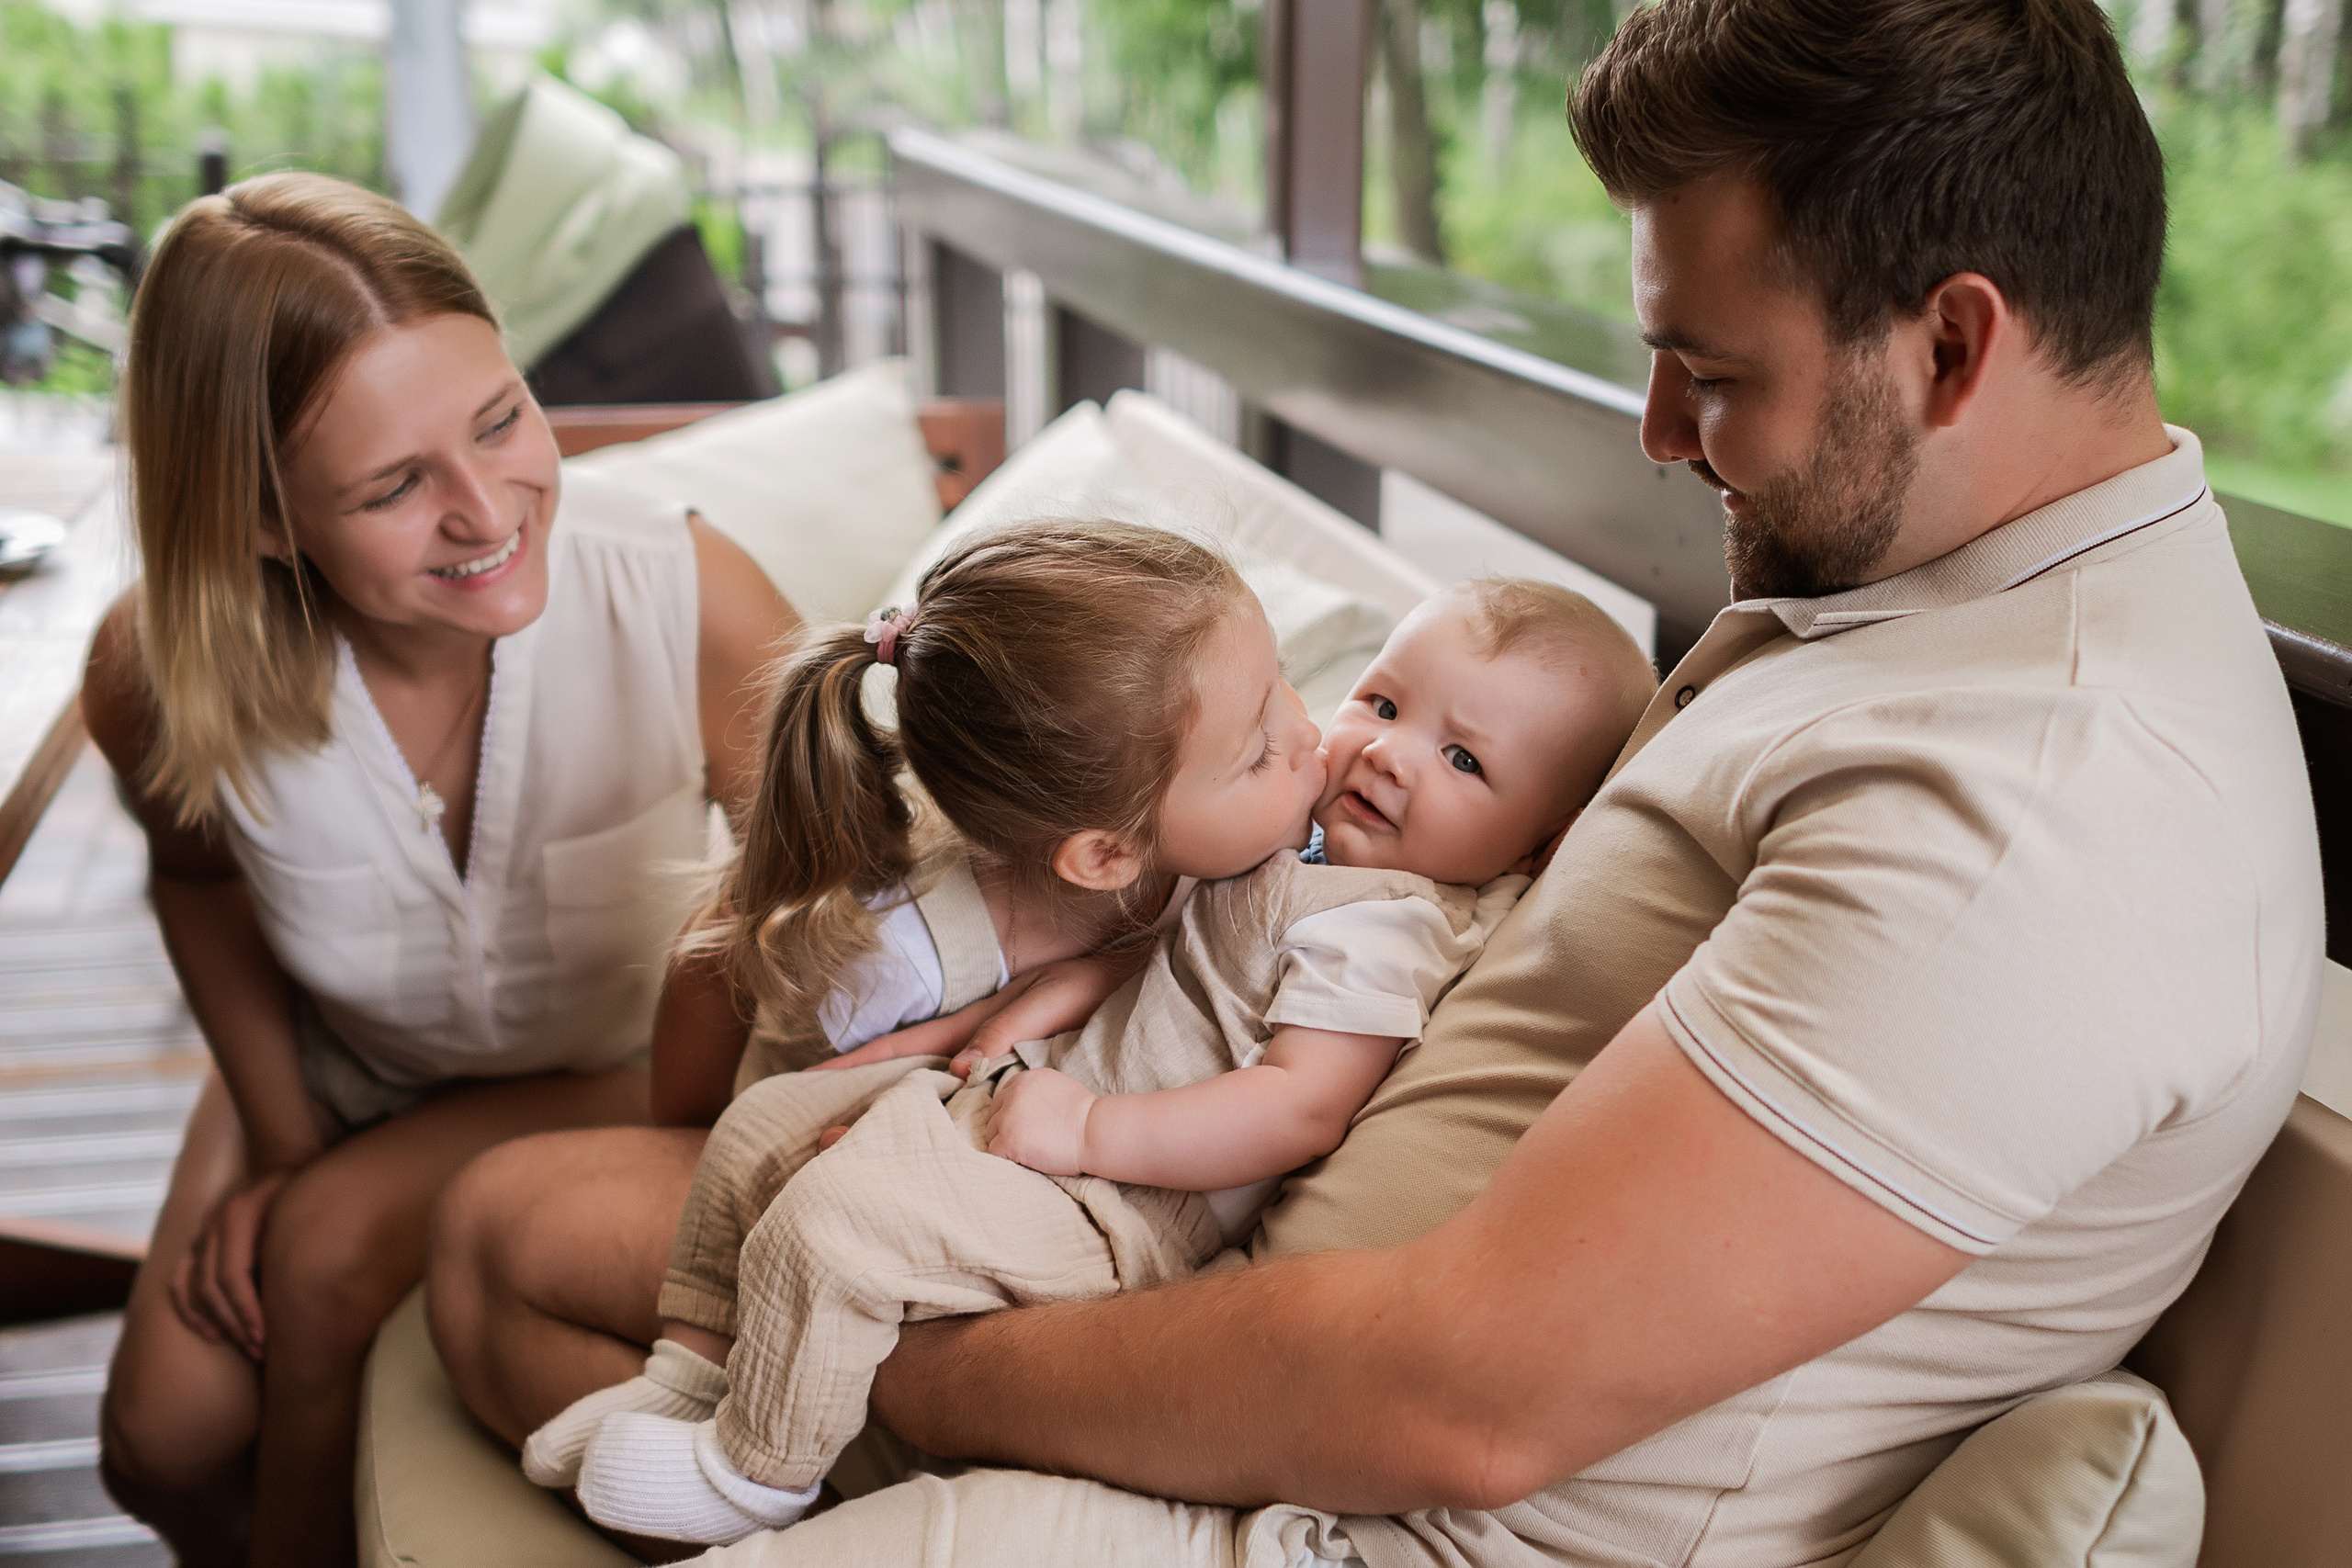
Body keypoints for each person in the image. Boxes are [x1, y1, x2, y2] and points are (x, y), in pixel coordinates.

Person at [663, 1, 2324, 1564]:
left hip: (1340, 1512)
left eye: (1716, 371)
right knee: (541, 1242)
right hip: (1242, 1325)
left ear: (1954, 346)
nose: (1663, 432)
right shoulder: (1925, 605)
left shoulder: (2046, 798)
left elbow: (1456, 1403)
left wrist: (912, 1364)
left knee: (576, 1253)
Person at [534, 579, 1651, 1545]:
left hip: (1122, 1204)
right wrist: (994, 1037)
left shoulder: (1387, 928)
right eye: (1384, 702)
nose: (1389, 755)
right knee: (759, 1128)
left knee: (840, 1234)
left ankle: (752, 1472)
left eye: (1461, 758)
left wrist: (1088, 1133)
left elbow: (1299, 1107)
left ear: (1541, 845)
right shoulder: (1289, 834)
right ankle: (679, 1383)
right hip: (1040, 1107)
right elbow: (1132, 955)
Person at [78, 172, 797, 1568]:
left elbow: (847, 910)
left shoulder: (689, 596)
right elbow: (200, 884)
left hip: (632, 1070)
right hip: (348, 1061)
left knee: (329, 1246)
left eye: (501, 419)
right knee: (155, 1439)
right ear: (264, 521)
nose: (488, 510)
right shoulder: (157, 669)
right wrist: (279, 1136)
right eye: (398, 484)